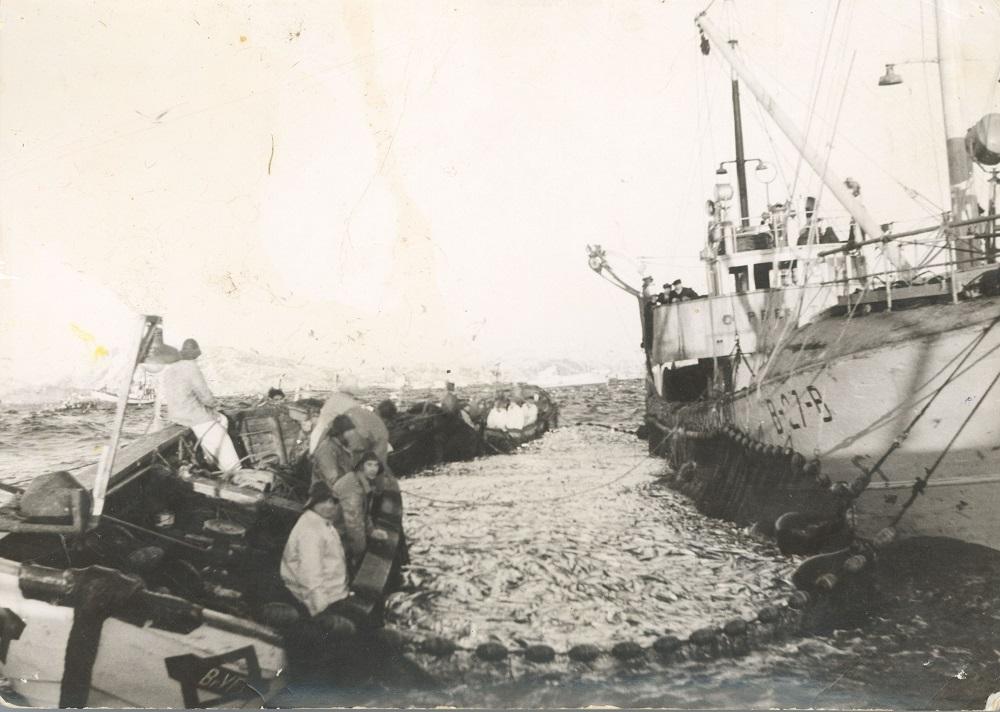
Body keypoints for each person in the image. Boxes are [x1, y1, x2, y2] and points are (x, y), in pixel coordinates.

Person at [159, 339, 242, 473]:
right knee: (233, 463)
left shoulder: (171, 369)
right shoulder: (192, 367)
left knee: (223, 420)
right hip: (195, 417)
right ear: (195, 355)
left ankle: (211, 462)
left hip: (176, 416)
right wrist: (216, 404)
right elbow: (205, 396)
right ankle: (232, 471)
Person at [281, 481, 350, 618]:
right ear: (313, 503)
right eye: (324, 501)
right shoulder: (311, 530)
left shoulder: (321, 523)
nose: (329, 506)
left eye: (333, 502)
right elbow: (310, 575)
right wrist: (321, 611)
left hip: (335, 594)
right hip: (322, 601)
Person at [332, 451, 384, 571]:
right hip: (335, 536)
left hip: (341, 531)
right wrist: (361, 556)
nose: (373, 469)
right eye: (369, 464)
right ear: (361, 466)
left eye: (376, 465)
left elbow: (364, 513)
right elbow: (354, 524)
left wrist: (371, 531)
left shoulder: (360, 480)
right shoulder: (352, 486)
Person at [312, 413, 361, 489]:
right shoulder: (327, 449)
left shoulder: (343, 447)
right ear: (339, 433)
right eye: (349, 432)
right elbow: (333, 479)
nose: (352, 436)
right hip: (328, 494)